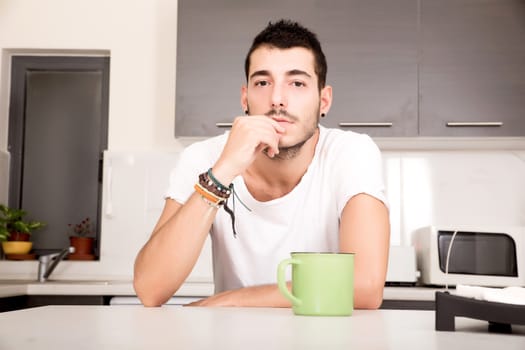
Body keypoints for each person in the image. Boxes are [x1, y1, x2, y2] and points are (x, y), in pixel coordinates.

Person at [133, 19, 390, 309]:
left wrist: (229, 301)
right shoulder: (204, 158)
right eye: (263, 82)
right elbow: (150, 288)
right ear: (245, 97)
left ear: (324, 100)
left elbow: (366, 287)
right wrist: (223, 173)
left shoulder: (351, 152)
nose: (277, 99)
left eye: (297, 83)